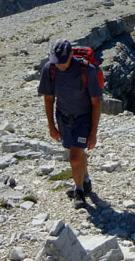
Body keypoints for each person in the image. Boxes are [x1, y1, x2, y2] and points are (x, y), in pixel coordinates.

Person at [38, 39, 102, 208]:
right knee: (76, 151)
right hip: (63, 117)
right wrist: (51, 126)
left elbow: (96, 102)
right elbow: (48, 98)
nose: (59, 65)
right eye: (56, 61)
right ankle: (85, 179)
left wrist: (93, 133)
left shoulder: (87, 70)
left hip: (83, 118)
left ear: (71, 55)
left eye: (62, 61)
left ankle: (79, 190)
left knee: (74, 158)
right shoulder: (49, 69)